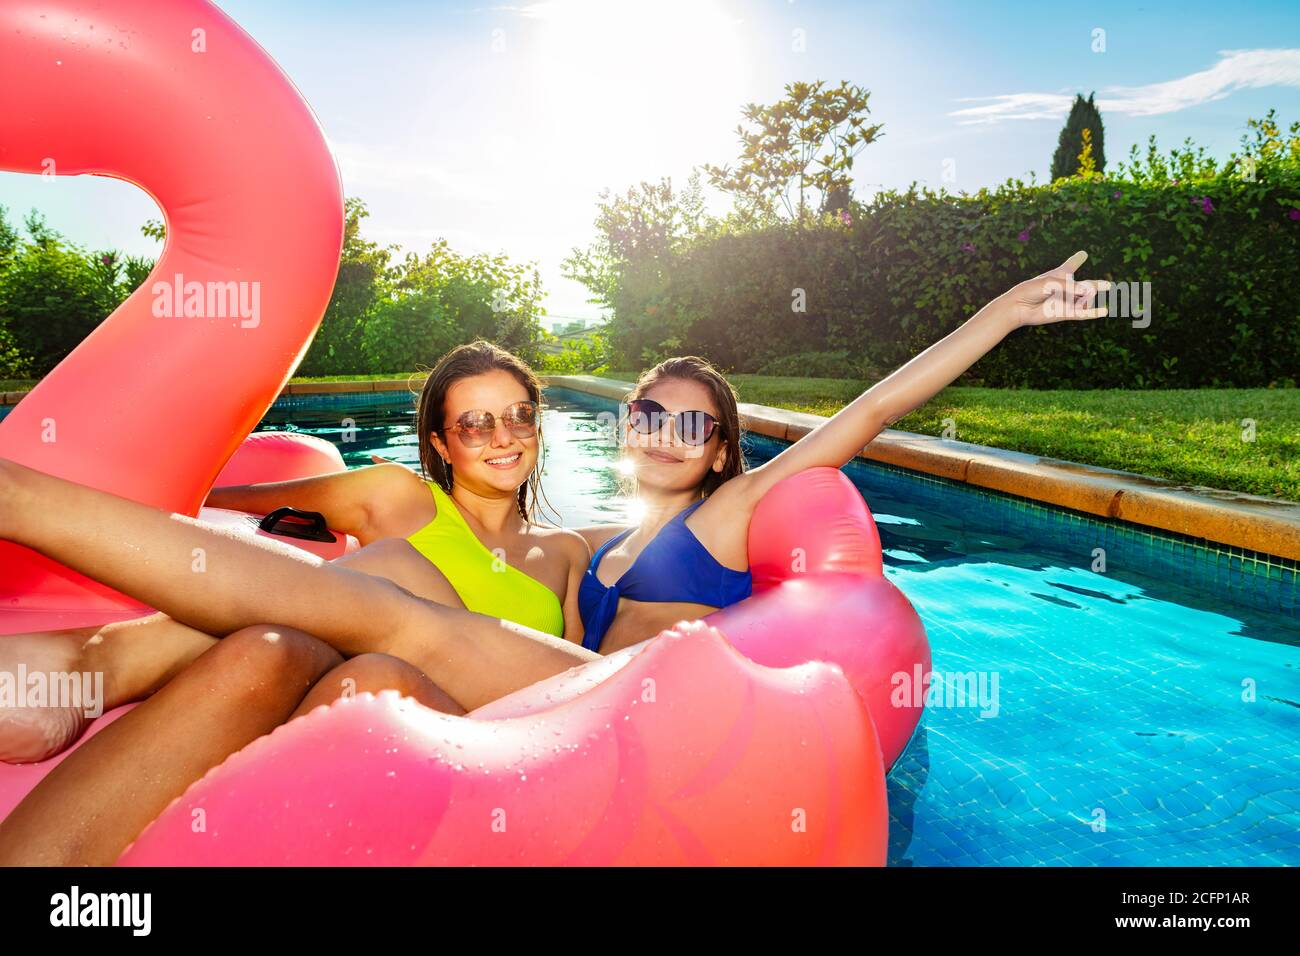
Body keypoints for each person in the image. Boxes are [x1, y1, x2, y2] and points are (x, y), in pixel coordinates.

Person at [0, 252, 1107, 863]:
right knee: (382, 586)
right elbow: (486, 589)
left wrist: (1000, 316)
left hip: (646, 711)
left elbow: (863, 411)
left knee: (402, 598)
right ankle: (99, 675)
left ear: (720, 447)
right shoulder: (589, 545)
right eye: (645, 412)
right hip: (541, 702)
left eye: (689, 422)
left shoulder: (722, 519)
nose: (661, 432)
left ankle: (83, 631)